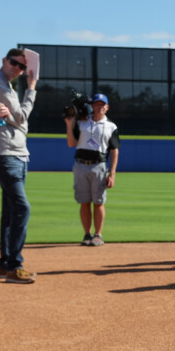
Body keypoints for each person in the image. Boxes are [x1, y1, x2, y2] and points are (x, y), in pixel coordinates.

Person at [0, 48, 39, 284]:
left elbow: (13, 120)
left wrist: (9, 117)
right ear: (4, 60)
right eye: (14, 63)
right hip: (6, 155)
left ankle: (5, 265)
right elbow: (23, 117)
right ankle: (14, 265)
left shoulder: (4, 86)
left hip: (16, 155)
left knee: (10, 212)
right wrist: (32, 88)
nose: (17, 68)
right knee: (22, 208)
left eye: (22, 67)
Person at [64, 93, 120, 247]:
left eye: (103, 104)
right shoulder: (82, 123)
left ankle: (98, 235)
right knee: (84, 202)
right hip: (80, 164)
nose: (99, 107)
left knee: (98, 202)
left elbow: (114, 150)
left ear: (107, 108)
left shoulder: (111, 126)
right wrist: (69, 125)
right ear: (92, 106)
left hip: (99, 165)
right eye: (97, 104)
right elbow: (71, 143)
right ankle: (87, 234)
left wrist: (112, 174)